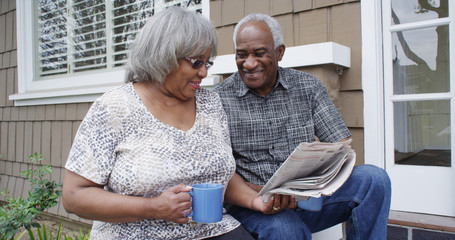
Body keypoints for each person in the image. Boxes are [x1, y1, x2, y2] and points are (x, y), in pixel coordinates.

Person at [62, 7, 254, 240]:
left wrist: (259, 199)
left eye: (207, 63)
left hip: (211, 230)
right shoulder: (114, 108)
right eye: (195, 62)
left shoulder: (210, 104)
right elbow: (74, 196)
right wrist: (153, 207)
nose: (203, 72)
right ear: (164, 56)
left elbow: (221, 175)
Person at [215, 13, 392, 240]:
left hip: (308, 201)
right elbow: (218, 169)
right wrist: (256, 193)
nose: (249, 63)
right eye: (242, 55)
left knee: (374, 180)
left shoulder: (307, 87)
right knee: (285, 229)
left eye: (260, 53)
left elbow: (340, 146)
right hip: (254, 205)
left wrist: (312, 186)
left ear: (279, 52)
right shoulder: (219, 100)